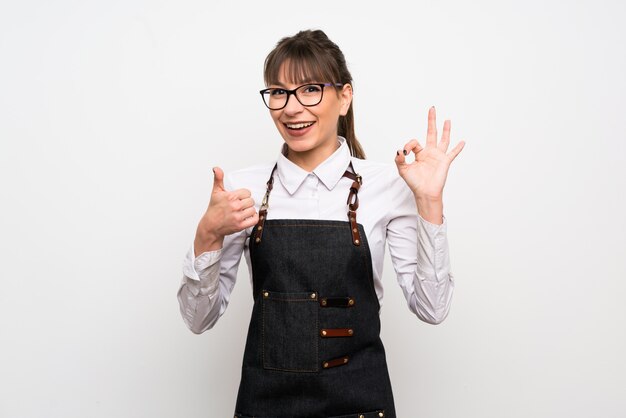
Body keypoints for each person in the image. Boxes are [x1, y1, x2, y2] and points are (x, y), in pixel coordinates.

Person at [178, 29, 465, 418]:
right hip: (265, 407)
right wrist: (206, 236)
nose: (292, 108)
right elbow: (198, 319)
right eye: (278, 92)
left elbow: (433, 308)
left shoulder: (388, 186)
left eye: (310, 89)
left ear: (344, 97)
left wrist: (429, 201)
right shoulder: (241, 189)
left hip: (360, 406)